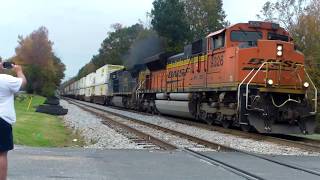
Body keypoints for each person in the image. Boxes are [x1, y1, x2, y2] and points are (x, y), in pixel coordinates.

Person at [0, 62, 27, 180]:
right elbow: (22, 83)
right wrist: (19, 71)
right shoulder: (5, 79)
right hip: (2, 119)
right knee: (1, 154)